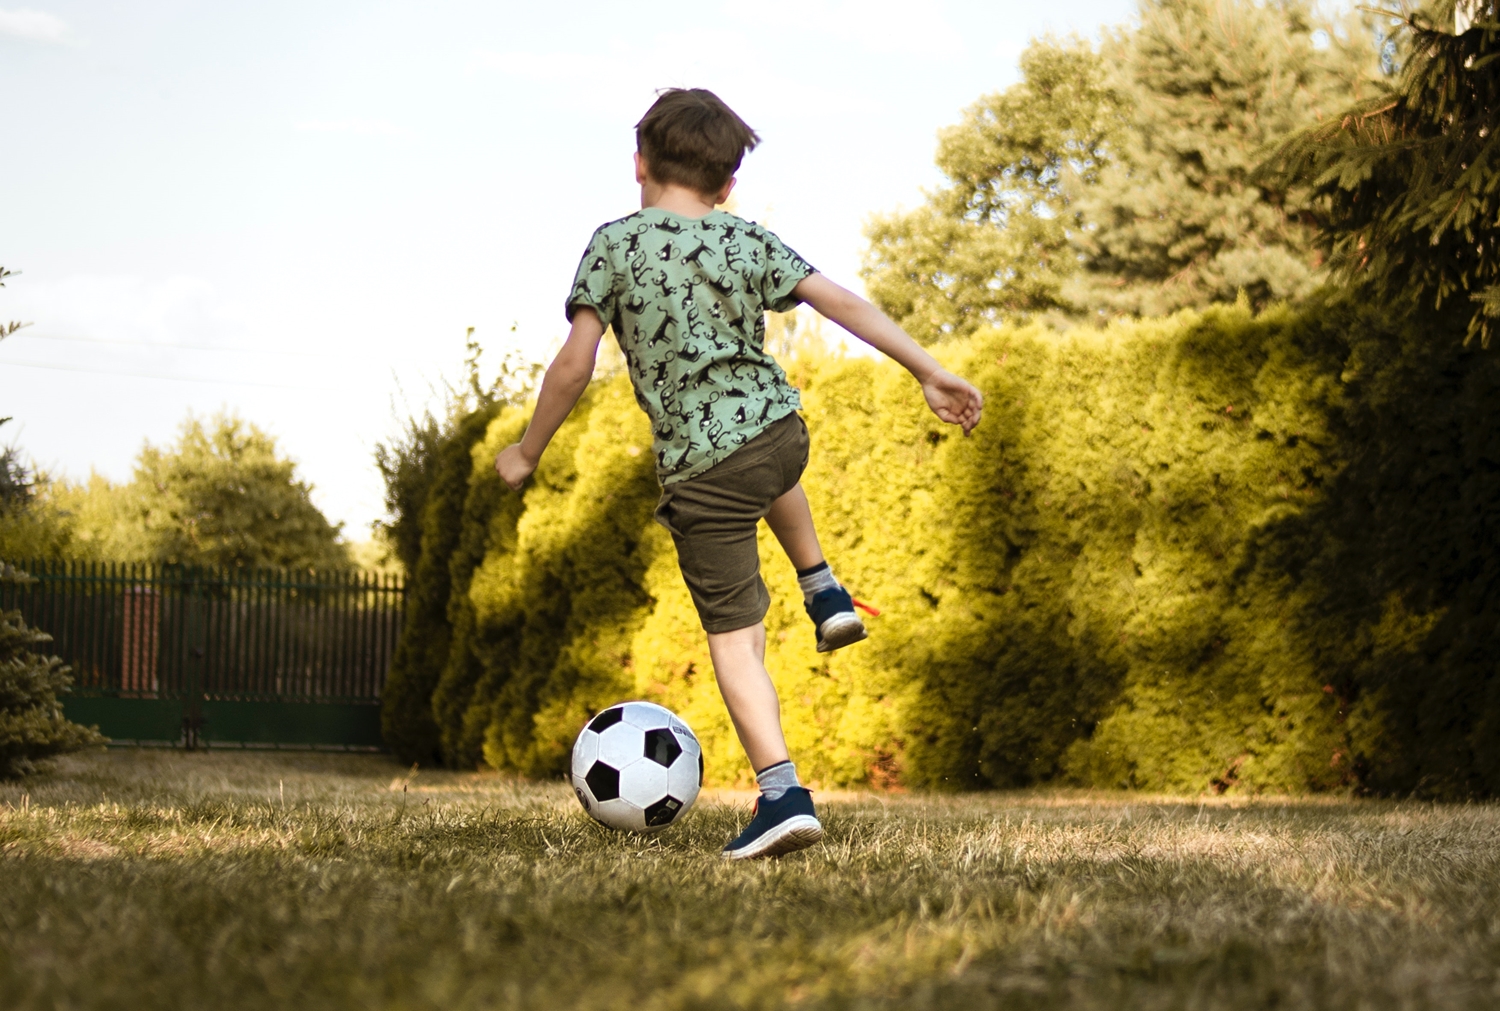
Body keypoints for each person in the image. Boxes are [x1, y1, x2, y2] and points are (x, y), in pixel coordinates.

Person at [495, 88, 983, 859]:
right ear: (728, 185)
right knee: (766, 459)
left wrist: (527, 450)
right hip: (782, 434)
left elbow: (572, 364)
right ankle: (822, 586)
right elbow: (844, 304)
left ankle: (782, 793)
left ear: (638, 164)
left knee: (736, 645)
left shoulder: (615, 244)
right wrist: (930, 370)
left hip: (703, 475)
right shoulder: (745, 240)